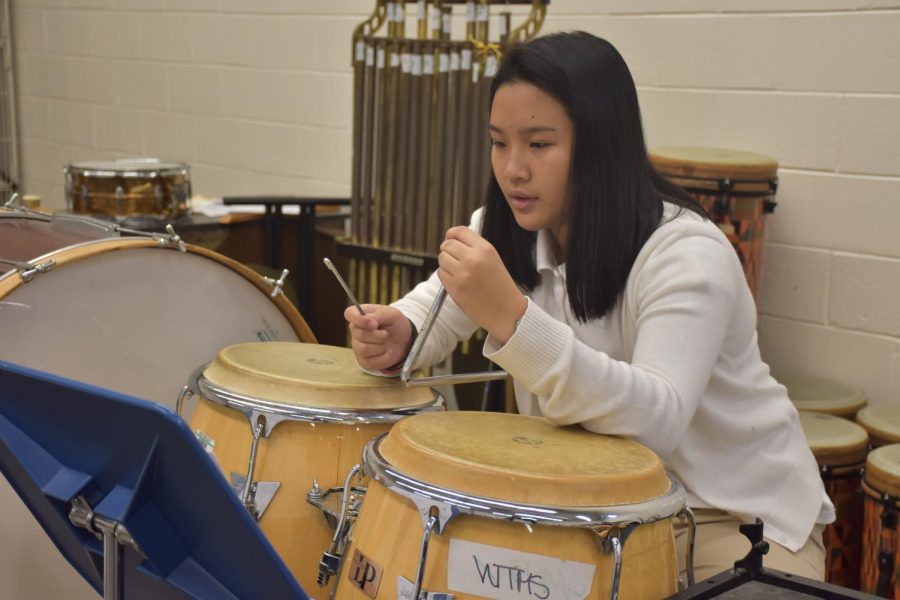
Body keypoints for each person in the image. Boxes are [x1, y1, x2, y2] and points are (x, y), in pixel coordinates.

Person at [344, 30, 832, 581]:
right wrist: (396, 332)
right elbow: (430, 311)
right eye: (499, 142)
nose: (513, 169)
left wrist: (511, 317)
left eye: (539, 143)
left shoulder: (686, 251)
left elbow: (656, 420)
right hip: (596, 510)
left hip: (727, 515)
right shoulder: (506, 227)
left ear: (600, 144)